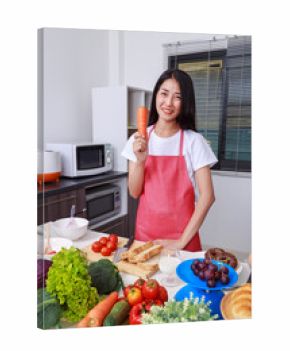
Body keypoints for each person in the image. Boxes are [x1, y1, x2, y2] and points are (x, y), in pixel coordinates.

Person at [121, 69, 218, 252]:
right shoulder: (138, 140)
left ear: (185, 102)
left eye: (177, 97)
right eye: (164, 94)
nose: (168, 103)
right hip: (145, 239)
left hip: (183, 241)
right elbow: (134, 192)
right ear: (156, 95)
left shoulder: (193, 141)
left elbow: (207, 196)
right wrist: (140, 161)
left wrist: (180, 243)